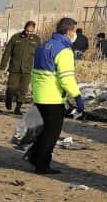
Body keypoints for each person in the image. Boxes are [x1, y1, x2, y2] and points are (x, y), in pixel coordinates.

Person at [29, 17, 83, 175]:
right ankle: (42, 165)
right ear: (68, 31)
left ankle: (34, 158)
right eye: (74, 31)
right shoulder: (64, 51)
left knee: (42, 130)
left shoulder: (43, 46)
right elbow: (66, 78)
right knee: (51, 133)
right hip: (53, 97)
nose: (75, 34)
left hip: (39, 95)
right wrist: (77, 97)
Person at [0, 21, 39, 115]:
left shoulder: (36, 40)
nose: (29, 33)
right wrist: (2, 67)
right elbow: (7, 52)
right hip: (14, 68)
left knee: (23, 90)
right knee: (12, 87)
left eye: (31, 32)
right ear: (24, 29)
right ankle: (8, 99)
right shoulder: (16, 38)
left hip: (27, 69)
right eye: (28, 31)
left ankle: (18, 108)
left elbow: (39, 55)